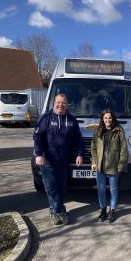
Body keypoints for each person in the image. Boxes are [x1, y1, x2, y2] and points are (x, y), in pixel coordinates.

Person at [33, 94, 83, 226]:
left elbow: (78, 138)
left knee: (61, 187)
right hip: (47, 160)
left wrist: (79, 154)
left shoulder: (71, 120)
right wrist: (38, 154)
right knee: (51, 187)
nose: (61, 104)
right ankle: (61, 211)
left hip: (64, 161)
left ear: (67, 104)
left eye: (63, 102)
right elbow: (37, 137)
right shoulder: (46, 118)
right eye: (58, 102)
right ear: (54, 103)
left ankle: (53, 211)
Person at [91, 109, 128, 223]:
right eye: (106, 118)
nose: (108, 120)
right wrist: (94, 162)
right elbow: (93, 148)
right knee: (101, 189)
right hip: (100, 166)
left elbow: (124, 149)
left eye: (110, 118)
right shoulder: (98, 131)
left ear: (113, 119)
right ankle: (103, 210)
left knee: (113, 189)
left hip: (113, 165)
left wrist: (121, 164)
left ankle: (112, 210)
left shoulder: (119, 131)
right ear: (103, 119)